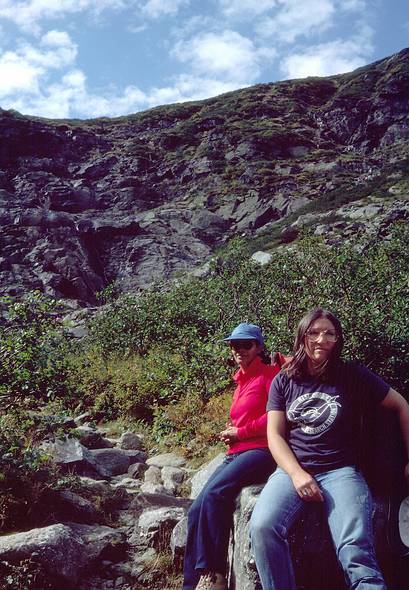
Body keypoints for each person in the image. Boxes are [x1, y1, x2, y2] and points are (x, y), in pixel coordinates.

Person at [250, 308, 409, 590]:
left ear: (338, 340)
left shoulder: (352, 374)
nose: (321, 339)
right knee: (262, 527)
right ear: (302, 336)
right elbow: (274, 435)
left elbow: (401, 405)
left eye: (329, 333)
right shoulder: (284, 380)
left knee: (354, 549)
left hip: (341, 471)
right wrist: (297, 475)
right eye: (314, 332)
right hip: (292, 471)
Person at [183, 322, 286, 590]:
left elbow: (275, 416)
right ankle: (190, 583)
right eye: (235, 345)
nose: (239, 349)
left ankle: (213, 575)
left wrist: (239, 432)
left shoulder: (270, 374)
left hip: (263, 450)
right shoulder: (241, 380)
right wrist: (234, 433)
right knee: (195, 511)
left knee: (217, 494)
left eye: (246, 344)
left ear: (258, 347)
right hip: (238, 451)